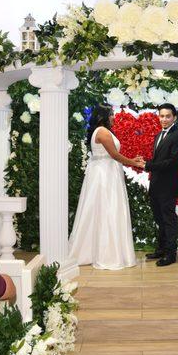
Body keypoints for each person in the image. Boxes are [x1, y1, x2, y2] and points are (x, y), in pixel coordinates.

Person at [68, 104, 143, 270]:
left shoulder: (103, 131)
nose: (113, 117)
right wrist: (134, 162)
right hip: (104, 176)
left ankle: (98, 250)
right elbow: (114, 155)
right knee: (107, 210)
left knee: (104, 210)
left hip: (107, 172)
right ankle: (107, 254)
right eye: (111, 114)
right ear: (103, 116)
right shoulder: (102, 131)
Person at [139, 103, 178, 267]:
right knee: (160, 219)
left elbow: (173, 162)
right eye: (161, 116)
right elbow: (159, 160)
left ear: (174, 117)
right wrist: (146, 163)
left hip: (168, 185)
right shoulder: (158, 134)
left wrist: (148, 165)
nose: (164, 119)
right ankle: (161, 249)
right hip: (156, 184)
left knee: (169, 220)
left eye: (167, 116)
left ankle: (171, 254)